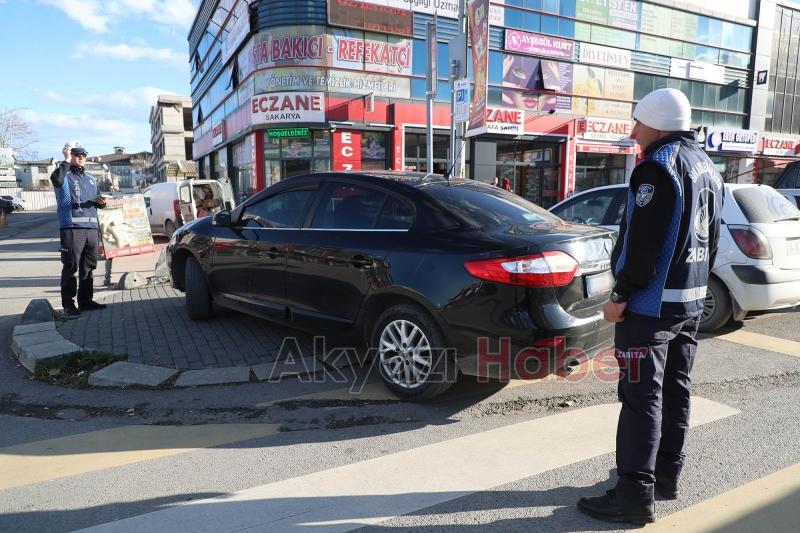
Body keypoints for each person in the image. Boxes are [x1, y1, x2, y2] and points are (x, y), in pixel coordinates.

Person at [577, 88, 724, 524]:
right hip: (689, 303)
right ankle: (665, 476)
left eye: (637, 122)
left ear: (657, 124)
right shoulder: (706, 166)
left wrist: (621, 296)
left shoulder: (656, 168)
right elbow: (712, 238)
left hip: (649, 308)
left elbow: (644, 243)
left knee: (641, 399)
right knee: (676, 391)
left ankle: (633, 497)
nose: (633, 129)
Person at [51, 143, 107, 316]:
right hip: (72, 227)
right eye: (76, 154)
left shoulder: (91, 177)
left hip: (91, 227)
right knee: (71, 266)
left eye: (83, 154)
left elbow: (97, 199)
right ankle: (68, 304)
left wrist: (101, 203)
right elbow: (56, 180)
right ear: (70, 155)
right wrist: (66, 159)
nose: (81, 157)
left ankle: (85, 300)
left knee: (88, 266)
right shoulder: (64, 174)